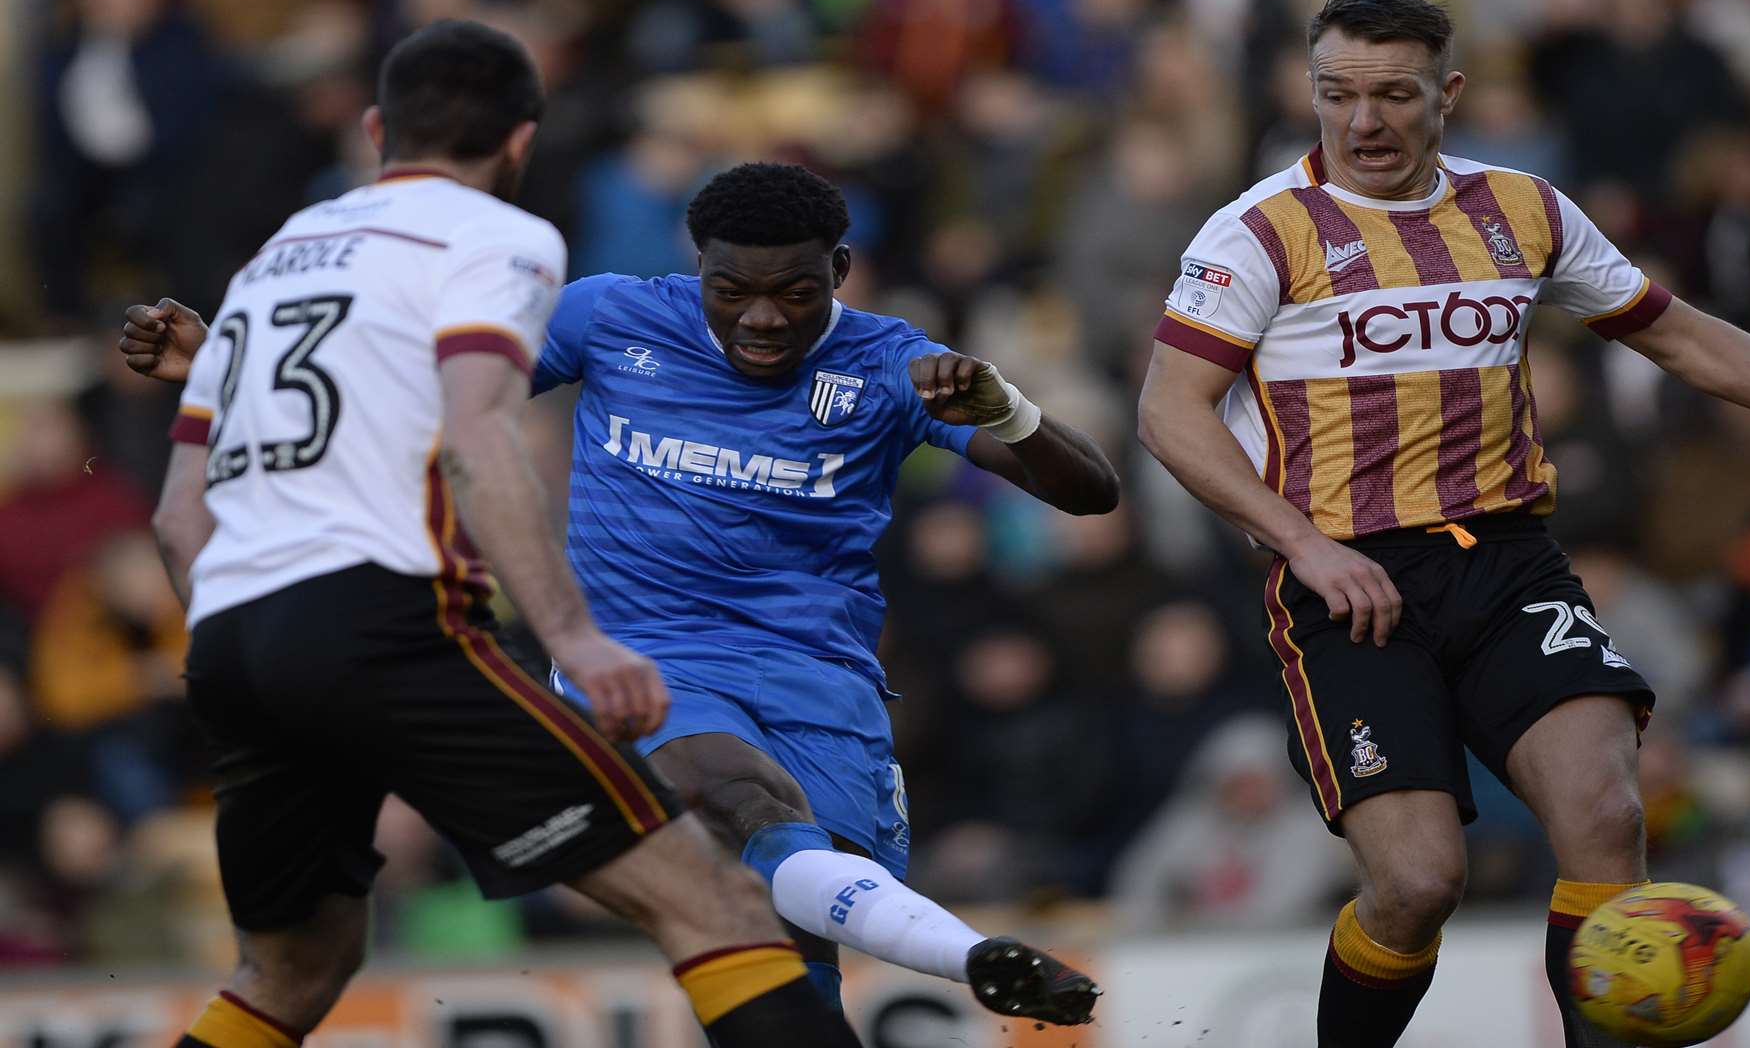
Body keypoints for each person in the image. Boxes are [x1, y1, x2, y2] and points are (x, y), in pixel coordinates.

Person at [124, 161, 1117, 1026]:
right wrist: (223, 365)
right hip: (647, 660)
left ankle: (956, 959)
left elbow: (1091, 493)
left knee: (795, 939)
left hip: (827, 681)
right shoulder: (608, 316)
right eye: (732, 290)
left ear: (839, 277)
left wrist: (1010, 409)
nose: (763, 318)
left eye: (795, 294)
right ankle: (969, 956)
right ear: (698, 270)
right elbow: (416, 400)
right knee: (744, 806)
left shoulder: (891, 361)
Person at [1134, 0, 1750, 1048]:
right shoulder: (1260, 233)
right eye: (1338, 94)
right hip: (1348, 580)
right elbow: (1169, 414)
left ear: (1447, 94)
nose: (1363, 122)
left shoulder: (1523, 209)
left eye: (1393, 95)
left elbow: (1673, 332)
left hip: (1508, 559)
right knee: (1417, 885)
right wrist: (1306, 545)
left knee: (1606, 816)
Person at [138, 21, 860, 1048]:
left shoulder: (269, 265)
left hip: (230, 642)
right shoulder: (493, 237)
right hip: (385, 624)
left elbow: (177, 517)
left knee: (293, 967)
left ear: (378, 128)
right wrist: (576, 640)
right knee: (719, 909)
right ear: (520, 142)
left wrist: (258, 652)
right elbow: (479, 431)